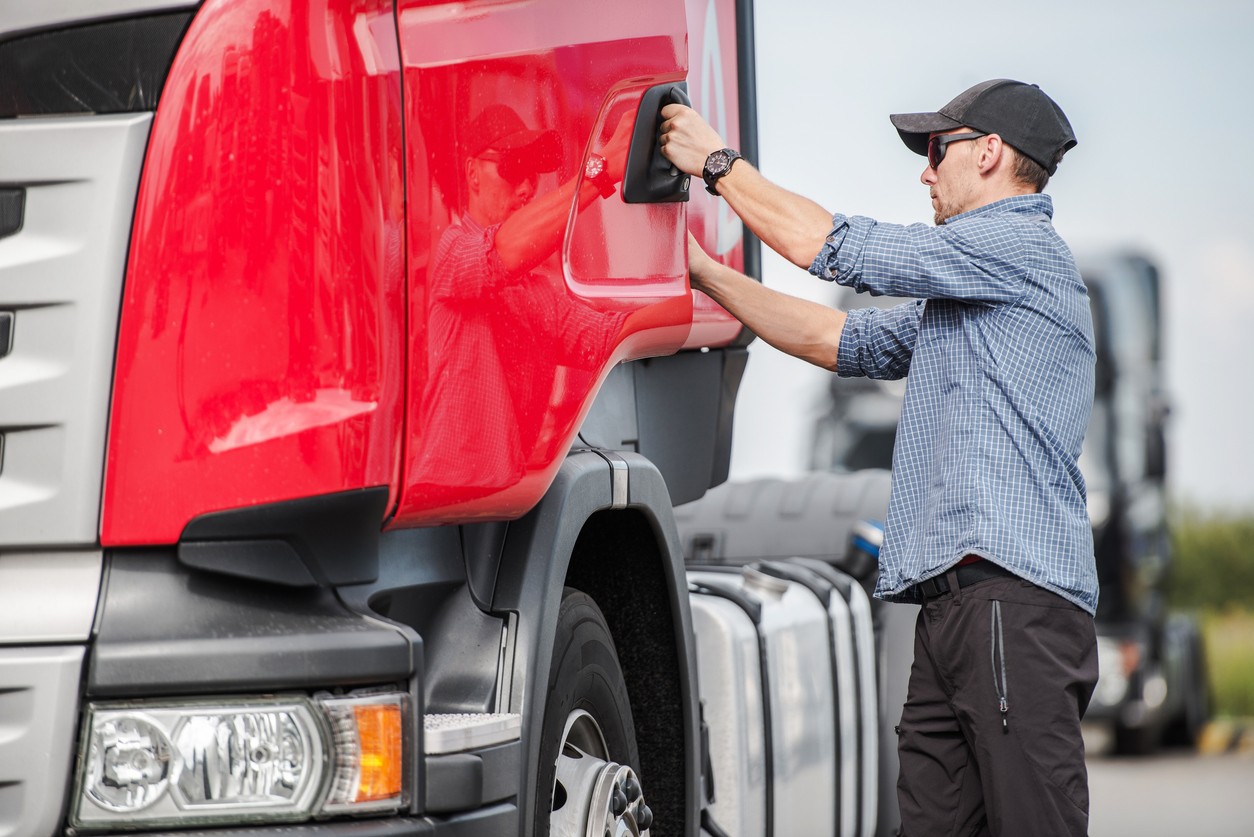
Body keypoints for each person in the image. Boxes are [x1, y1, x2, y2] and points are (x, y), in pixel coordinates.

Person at [660, 79, 1099, 837]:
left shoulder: (1017, 247)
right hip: (955, 608)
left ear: (989, 153)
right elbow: (837, 340)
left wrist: (718, 164)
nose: (925, 173)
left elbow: (834, 247)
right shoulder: (970, 291)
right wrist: (705, 273)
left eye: (937, 150)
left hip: (1010, 602)